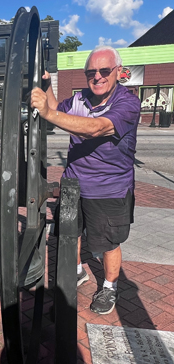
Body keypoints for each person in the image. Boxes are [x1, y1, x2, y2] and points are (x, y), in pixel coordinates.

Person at [30, 46, 141, 314]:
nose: (98, 77)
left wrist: (47, 113)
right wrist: (47, 86)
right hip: (73, 184)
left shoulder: (127, 103)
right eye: (92, 72)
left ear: (117, 72)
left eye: (105, 71)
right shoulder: (80, 99)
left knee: (107, 242)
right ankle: (78, 271)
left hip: (109, 189)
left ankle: (110, 287)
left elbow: (97, 128)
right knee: (70, 233)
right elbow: (56, 109)